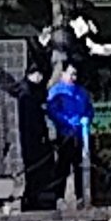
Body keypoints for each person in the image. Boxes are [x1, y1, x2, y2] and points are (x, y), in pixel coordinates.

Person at [46, 61, 94, 211]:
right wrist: (67, 122)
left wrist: (87, 118)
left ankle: (81, 196)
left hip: (81, 135)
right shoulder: (56, 91)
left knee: (81, 166)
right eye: (71, 73)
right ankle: (59, 197)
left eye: (75, 74)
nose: (73, 77)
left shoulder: (82, 92)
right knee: (63, 167)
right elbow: (52, 111)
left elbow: (89, 109)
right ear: (63, 74)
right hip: (64, 135)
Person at [16, 68, 56, 213]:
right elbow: (30, 119)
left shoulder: (38, 92)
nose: (39, 77)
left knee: (38, 169)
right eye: (36, 74)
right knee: (32, 168)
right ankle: (30, 198)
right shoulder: (26, 94)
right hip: (30, 137)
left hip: (38, 136)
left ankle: (35, 197)